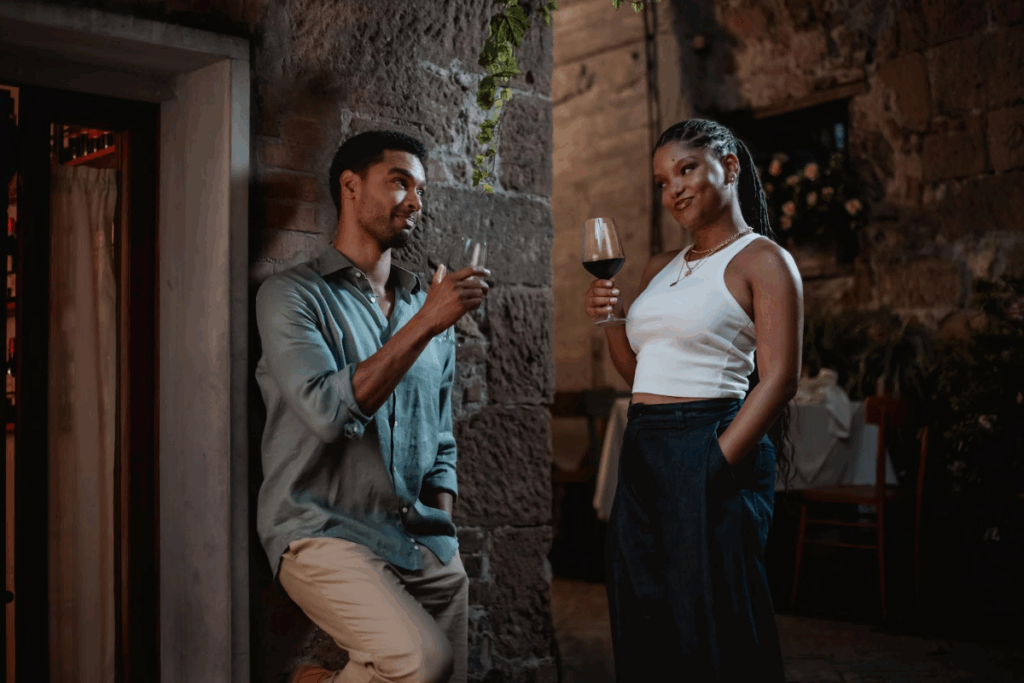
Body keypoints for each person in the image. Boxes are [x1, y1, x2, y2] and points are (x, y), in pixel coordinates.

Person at [255, 130, 489, 683]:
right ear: (351, 186)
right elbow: (327, 414)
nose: (416, 201)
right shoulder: (291, 296)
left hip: (417, 537)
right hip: (319, 529)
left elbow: (442, 436)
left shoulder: (423, 303)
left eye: (421, 190)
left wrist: (443, 528)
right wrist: (429, 322)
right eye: (401, 182)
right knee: (421, 662)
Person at [584, 119, 803, 681]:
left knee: (713, 621)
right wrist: (612, 321)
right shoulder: (662, 267)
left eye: (685, 170)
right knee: (645, 611)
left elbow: (779, 379)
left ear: (728, 167)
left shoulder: (764, 261)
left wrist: (713, 461)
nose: (673, 189)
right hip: (644, 449)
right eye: (661, 180)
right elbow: (639, 374)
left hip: (707, 442)